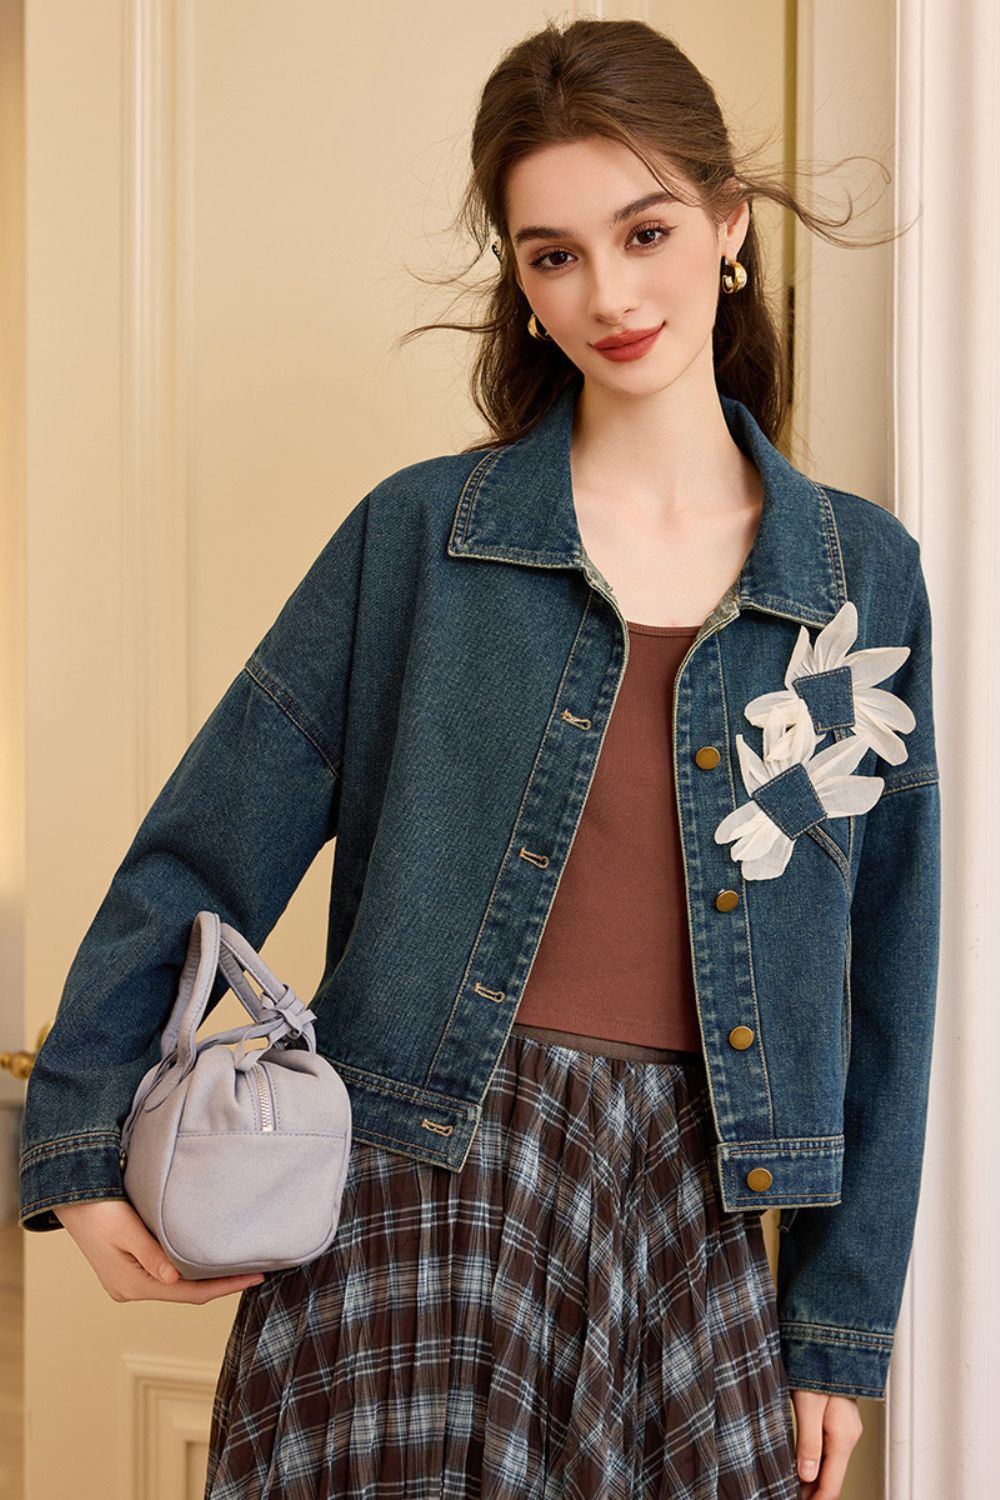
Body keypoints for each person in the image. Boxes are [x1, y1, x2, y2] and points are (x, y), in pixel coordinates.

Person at [21, 17, 940, 1500]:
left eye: (643, 231)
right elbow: (204, 844)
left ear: (727, 226)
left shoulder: (857, 582)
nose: (608, 293)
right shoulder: (422, 540)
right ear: (518, 279)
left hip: (694, 1222)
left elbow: (889, 973)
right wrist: (78, 1130)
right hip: (409, 1196)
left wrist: (840, 1323)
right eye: (552, 253)